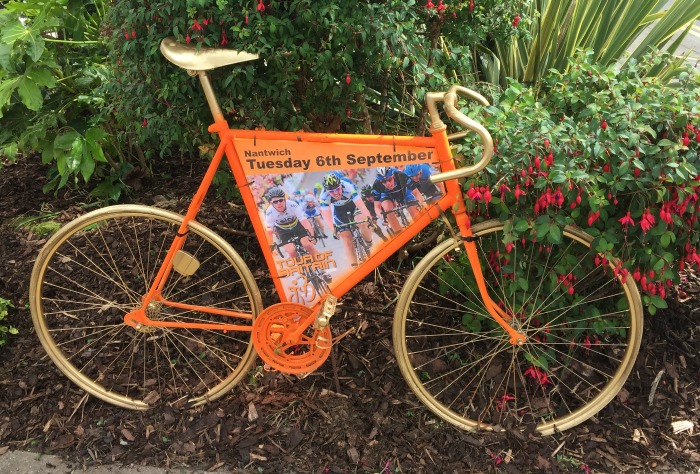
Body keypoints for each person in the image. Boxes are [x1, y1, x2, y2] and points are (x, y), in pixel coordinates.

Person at [318, 173, 374, 267]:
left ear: (341, 185)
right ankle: (354, 266)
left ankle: (368, 242)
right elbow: (327, 217)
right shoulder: (323, 196)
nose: (336, 193)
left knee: (362, 221)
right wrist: (334, 230)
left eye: (338, 189)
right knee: (346, 238)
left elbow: (361, 205)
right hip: (339, 211)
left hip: (353, 205)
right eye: (332, 191)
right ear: (327, 191)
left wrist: (368, 217)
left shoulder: (348, 186)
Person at [264, 186, 320, 260]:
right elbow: (269, 232)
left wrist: (312, 236)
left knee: (308, 245)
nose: (279, 203)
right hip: (283, 231)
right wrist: (270, 246)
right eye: (275, 202)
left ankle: (320, 263)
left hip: (298, 226)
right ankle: (301, 269)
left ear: (284, 199)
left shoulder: (292, 205)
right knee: (291, 252)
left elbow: (305, 222)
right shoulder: (269, 212)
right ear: (271, 203)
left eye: (281, 200)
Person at [371, 166, 424, 234]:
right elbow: (377, 207)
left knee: (415, 212)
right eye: (384, 181)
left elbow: (417, 194)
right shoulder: (376, 185)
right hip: (388, 195)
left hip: (404, 193)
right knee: (387, 210)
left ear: (393, 176)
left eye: (389, 179)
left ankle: (422, 228)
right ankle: (400, 234)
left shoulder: (402, 176)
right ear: (380, 181)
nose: (388, 183)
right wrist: (382, 218)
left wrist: (420, 205)